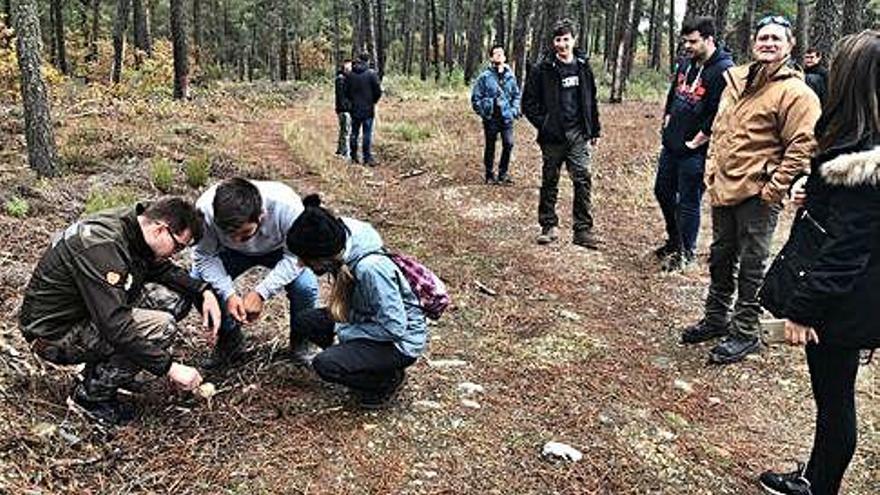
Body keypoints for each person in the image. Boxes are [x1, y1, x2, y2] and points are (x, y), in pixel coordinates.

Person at [759, 30, 880, 495]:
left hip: (843, 305)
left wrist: (803, 310)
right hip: (851, 299)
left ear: (850, 81)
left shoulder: (864, 159)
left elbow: (847, 251)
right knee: (833, 401)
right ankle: (814, 477)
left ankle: (818, 486)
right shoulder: (855, 146)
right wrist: (816, 196)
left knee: (834, 403)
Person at [680, 15, 821, 364]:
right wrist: (711, 170)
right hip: (724, 186)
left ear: (790, 46)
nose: (768, 43)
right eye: (763, 38)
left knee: (752, 265)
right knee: (720, 256)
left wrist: (773, 189)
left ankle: (744, 332)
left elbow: (803, 146)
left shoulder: (796, 93)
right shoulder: (737, 81)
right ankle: (716, 318)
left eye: (776, 38)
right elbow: (720, 127)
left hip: (758, 195)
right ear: (753, 43)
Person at [18, 197, 221, 425]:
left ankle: (114, 371)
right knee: (160, 327)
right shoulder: (102, 246)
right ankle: (90, 398)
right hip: (54, 334)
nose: (176, 253)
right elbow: (115, 327)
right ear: (160, 229)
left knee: (174, 299)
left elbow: (159, 268)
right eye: (178, 246)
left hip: (87, 309)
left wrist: (203, 291)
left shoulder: (136, 225)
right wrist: (170, 367)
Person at [285, 194, 427, 409]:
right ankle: (362, 362)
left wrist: (345, 332)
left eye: (306, 258)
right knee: (306, 321)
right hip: (364, 317)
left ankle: (384, 382)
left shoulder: (371, 269)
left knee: (325, 364)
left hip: (400, 342)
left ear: (323, 254)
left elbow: (394, 328)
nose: (300, 264)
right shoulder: (342, 237)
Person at [191, 178, 318, 369]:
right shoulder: (205, 211)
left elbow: (296, 257)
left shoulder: (288, 207)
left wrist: (261, 292)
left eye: (244, 234)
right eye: (229, 234)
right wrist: (228, 294)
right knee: (198, 284)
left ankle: (301, 343)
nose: (237, 240)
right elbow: (204, 257)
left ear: (262, 215)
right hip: (229, 253)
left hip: (279, 250)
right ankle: (230, 340)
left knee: (305, 287)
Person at [654, 16, 734, 271]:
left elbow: (720, 113)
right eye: (685, 41)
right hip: (672, 144)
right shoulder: (686, 63)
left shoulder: (723, 70)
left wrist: (697, 141)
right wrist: (667, 121)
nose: (687, 46)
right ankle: (675, 240)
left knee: (688, 201)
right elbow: (673, 95)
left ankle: (685, 252)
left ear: (709, 40)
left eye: (692, 41)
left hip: (695, 151)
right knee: (663, 191)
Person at [522, 18, 602, 249]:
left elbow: (591, 100)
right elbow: (528, 103)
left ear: (573, 40)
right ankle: (548, 225)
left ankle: (583, 230)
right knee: (550, 179)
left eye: (566, 39)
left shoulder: (583, 66)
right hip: (553, 137)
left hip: (578, 133)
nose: (562, 44)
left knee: (582, 178)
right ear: (553, 42)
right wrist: (545, 125)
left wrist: (594, 128)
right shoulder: (542, 69)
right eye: (558, 40)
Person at [471, 44, 521, 185]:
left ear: (505, 57)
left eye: (501, 53)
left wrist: (514, 110)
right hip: (491, 118)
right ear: (491, 57)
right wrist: (486, 109)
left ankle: (503, 174)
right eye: (496, 53)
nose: (499, 55)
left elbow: (516, 95)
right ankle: (489, 174)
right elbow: (476, 99)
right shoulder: (484, 77)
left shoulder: (511, 76)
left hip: (507, 118)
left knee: (509, 144)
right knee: (490, 146)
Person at [345, 52, 383, 165]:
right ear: (367, 61)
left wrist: (351, 103)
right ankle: (367, 158)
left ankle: (353, 157)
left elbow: (346, 92)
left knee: (354, 133)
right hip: (368, 109)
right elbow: (378, 91)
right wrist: (373, 101)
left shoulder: (350, 74)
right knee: (367, 133)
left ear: (358, 60)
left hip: (354, 109)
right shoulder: (371, 74)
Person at [334, 59, 353, 159]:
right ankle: (346, 154)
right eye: (348, 67)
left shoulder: (342, 79)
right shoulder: (341, 80)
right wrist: (348, 107)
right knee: (346, 132)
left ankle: (340, 151)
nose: (350, 69)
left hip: (342, 109)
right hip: (344, 110)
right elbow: (342, 97)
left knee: (343, 131)